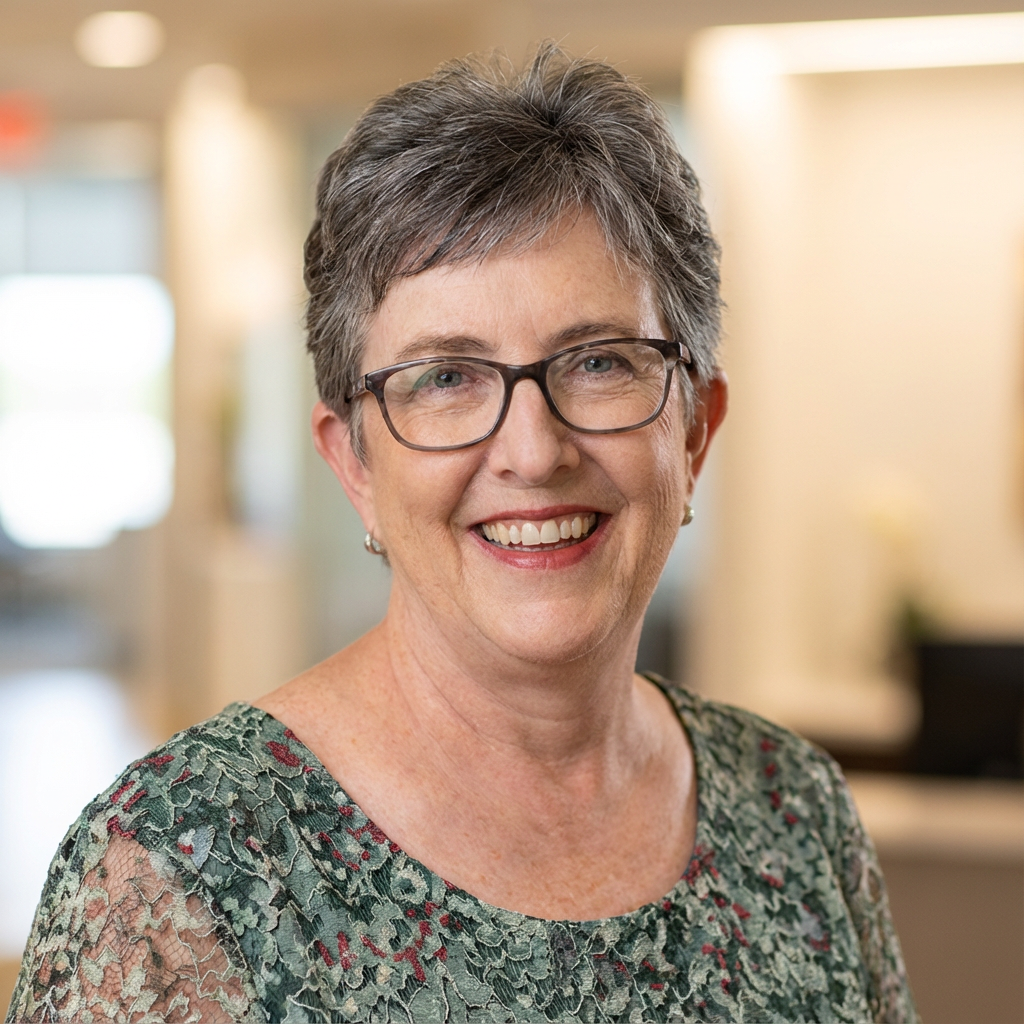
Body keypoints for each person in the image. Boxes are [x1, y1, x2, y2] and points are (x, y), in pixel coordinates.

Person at [7, 45, 916, 1023]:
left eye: (599, 361)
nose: (533, 450)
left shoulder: (796, 809)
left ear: (693, 429)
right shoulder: (178, 869)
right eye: (445, 377)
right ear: (352, 461)